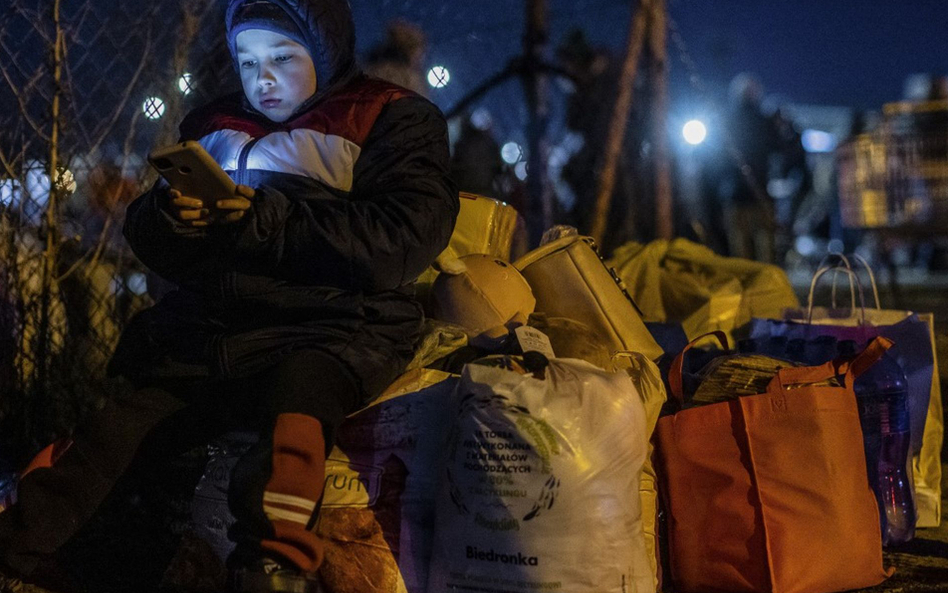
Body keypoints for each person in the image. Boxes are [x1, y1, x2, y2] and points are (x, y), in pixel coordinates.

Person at [0, 0, 459, 591]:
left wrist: (262, 221)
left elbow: (400, 237)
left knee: (292, 429)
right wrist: (171, 218)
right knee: (108, 436)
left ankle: (274, 568)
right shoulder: (213, 125)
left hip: (331, 326)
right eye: (247, 60)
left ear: (323, 53)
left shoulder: (389, 117)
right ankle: (21, 557)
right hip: (218, 330)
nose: (262, 76)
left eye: (283, 58)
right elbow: (150, 234)